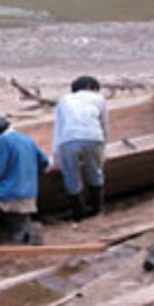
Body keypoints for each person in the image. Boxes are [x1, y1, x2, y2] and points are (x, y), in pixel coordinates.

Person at [0, 113, 50, 244]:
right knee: (18, 223)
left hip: (10, 196)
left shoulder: (2, 141)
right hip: (29, 195)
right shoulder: (26, 139)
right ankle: (22, 235)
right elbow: (44, 162)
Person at [47, 75, 110, 221]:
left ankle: (79, 215)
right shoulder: (99, 99)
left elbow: (58, 129)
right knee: (95, 173)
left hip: (68, 140)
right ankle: (97, 210)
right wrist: (104, 147)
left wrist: (56, 158)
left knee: (71, 177)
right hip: (93, 137)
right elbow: (105, 124)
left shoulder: (63, 100)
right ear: (92, 87)